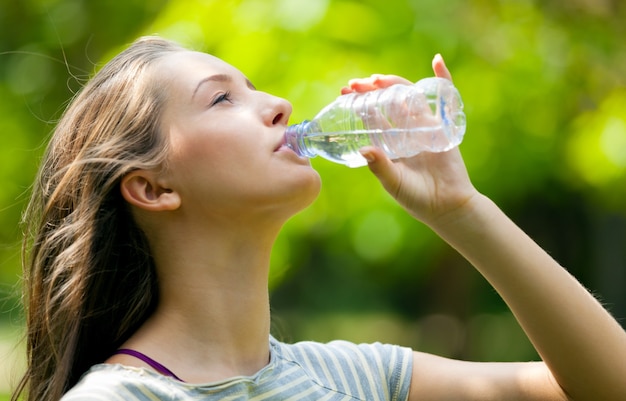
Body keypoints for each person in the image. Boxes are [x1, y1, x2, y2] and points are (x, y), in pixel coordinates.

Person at [12, 35, 626, 401]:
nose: (279, 105)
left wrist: (463, 212)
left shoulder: (352, 376)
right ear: (151, 186)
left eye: (256, 88)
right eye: (222, 98)